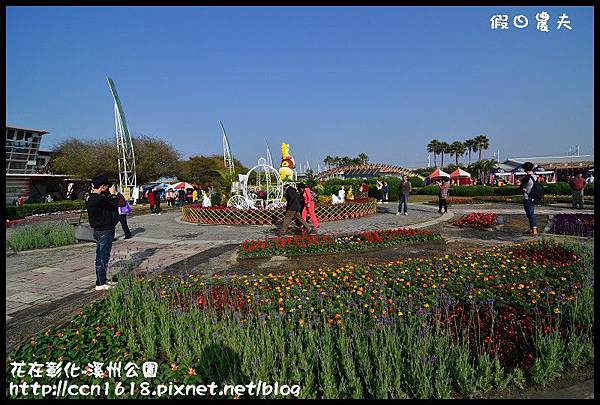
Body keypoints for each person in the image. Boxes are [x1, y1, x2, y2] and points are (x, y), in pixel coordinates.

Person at [86, 175, 119, 291]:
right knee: (102, 257)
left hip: (97, 230)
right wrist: (114, 194)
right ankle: (100, 283)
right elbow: (115, 204)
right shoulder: (100, 199)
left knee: (101, 255)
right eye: (106, 185)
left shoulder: (90, 198)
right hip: (105, 230)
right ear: (102, 186)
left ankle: (102, 280)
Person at [520, 162, 539, 236]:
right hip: (533, 197)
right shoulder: (535, 176)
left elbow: (521, 188)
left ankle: (534, 230)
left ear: (525, 169)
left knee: (530, 214)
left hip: (527, 197)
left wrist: (524, 189)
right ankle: (531, 229)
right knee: (530, 213)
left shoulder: (526, 177)